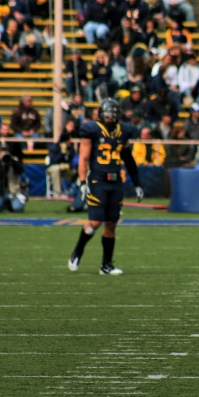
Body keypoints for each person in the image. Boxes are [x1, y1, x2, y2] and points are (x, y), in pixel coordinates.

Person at [68, 99, 145, 276]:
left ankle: (106, 265)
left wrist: (137, 183)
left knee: (111, 223)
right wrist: (81, 181)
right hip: (97, 181)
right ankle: (78, 251)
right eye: (107, 113)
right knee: (95, 222)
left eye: (113, 113)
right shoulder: (91, 130)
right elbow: (84, 158)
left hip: (116, 182)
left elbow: (128, 158)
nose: (110, 117)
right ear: (101, 113)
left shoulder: (124, 130)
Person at [0, 145, 26, 212]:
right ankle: (5, 204)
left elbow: (20, 171)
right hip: (2, 192)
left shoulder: (14, 161)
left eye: (6, 151)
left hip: (14, 192)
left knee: (18, 209)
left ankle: (11, 204)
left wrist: (11, 161)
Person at [47, 132, 76, 197]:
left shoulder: (71, 148)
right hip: (53, 168)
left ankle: (73, 191)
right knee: (56, 169)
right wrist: (62, 153)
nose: (70, 142)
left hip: (66, 170)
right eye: (68, 141)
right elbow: (54, 161)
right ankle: (57, 193)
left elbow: (72, 160)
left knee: (77, 171)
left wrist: (69, 165)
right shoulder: (54, 147)